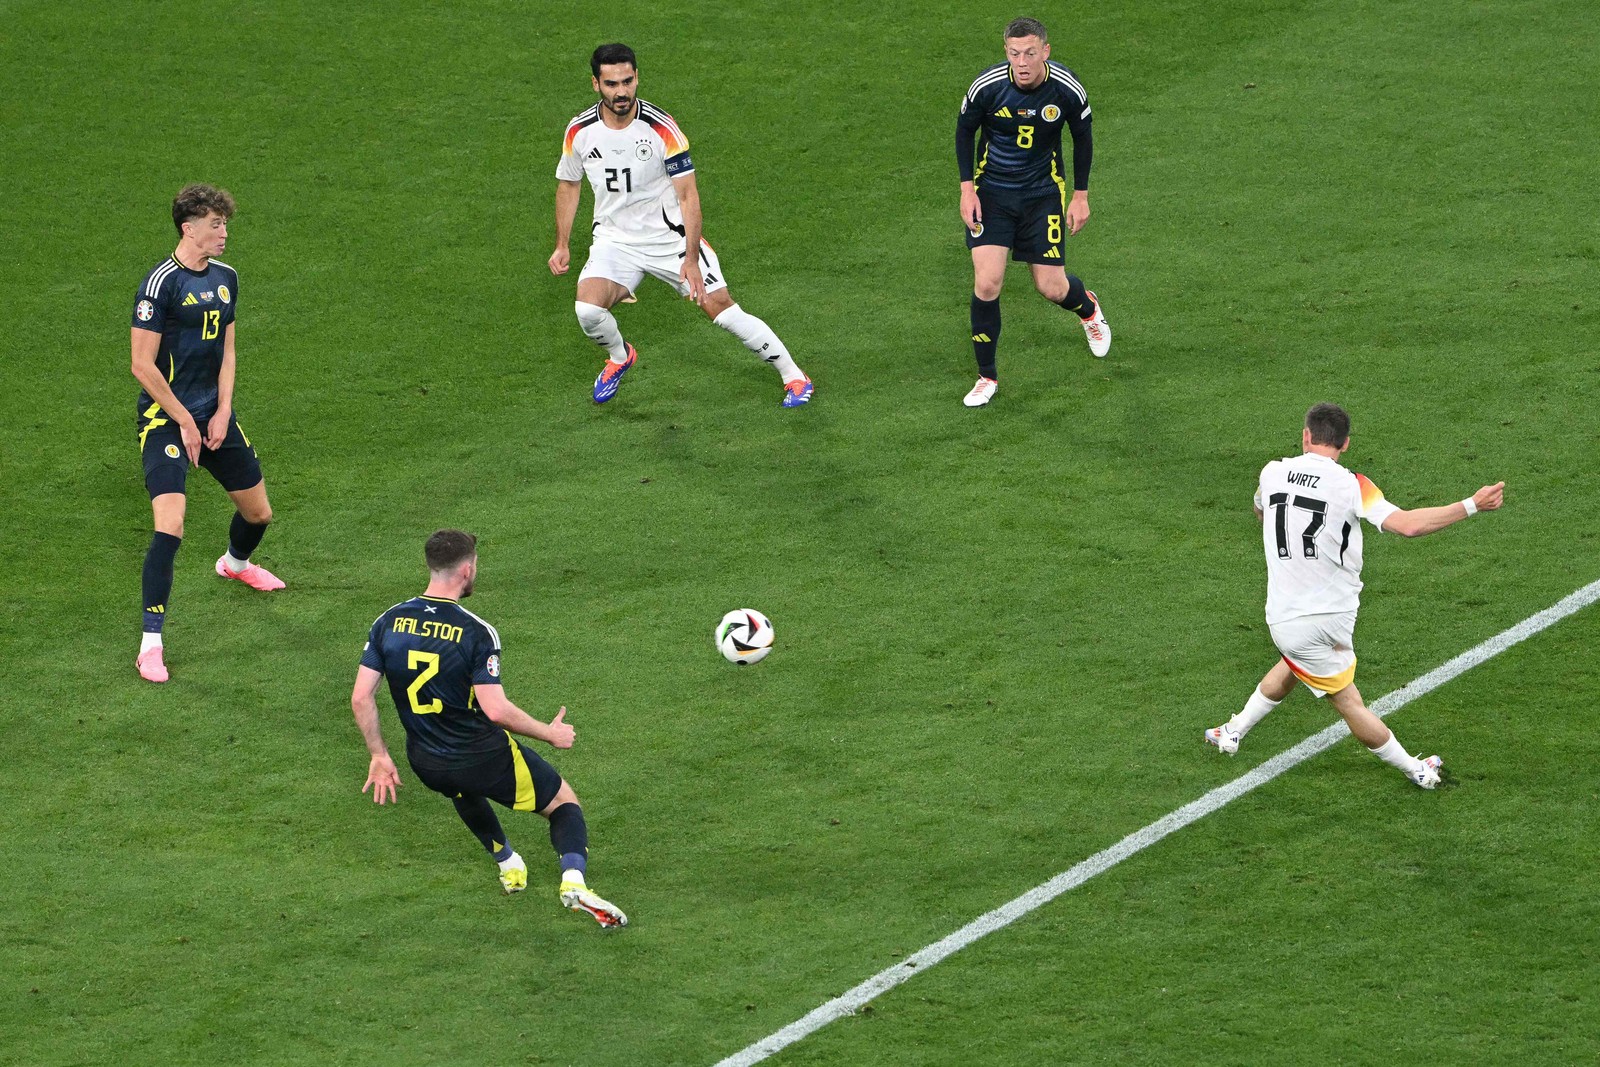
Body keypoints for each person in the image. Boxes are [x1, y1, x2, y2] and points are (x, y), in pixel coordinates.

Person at [1206, 403, 1506, 788]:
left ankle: (1232, 731)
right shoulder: (1352, 485)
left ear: (1306, 436)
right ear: (1345, 444)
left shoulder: (1273, 471)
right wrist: (1472, 505)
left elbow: (1261, 509)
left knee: (1297, 659)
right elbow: (1408, 526)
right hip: (1328, 616)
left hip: (1286, 616)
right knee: (1348, 702)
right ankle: (1416, 770)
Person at [351, 530, 627, 928]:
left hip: (425, 760)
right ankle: (573, 882)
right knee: (564, 803)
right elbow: (495, 711)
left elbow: (361, 697)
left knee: (461, 789)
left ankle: (509, 864)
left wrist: (379, 754)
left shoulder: (388, 622)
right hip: (482, 755)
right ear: (467, 569)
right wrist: (550, 734)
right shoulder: (476, 631)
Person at [549, 42, 813, 409]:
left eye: (627, 81)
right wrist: (562, 244)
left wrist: (690, 258)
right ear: (596, 84)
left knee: (720, 308)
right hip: (614, 241)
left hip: (668, 240)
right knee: (588, 310)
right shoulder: (579, 131)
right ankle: (619, 356)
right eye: (611, 84)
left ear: (637, 77)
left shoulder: (662, 129)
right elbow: (569, 185)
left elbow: (688, 196)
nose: (621, 92)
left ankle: (795, 377)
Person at [131, 183, 283, 684]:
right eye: (215, 224)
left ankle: (235, 563)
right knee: (170, 524)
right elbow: (142, 365)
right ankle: (151, 643)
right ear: (188, 227)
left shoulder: (226, 278)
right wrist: (183, 419)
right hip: (165, 419)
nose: (223, 233)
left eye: (224, 224)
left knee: (258, 514)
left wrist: (223, 412)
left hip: (212, 415)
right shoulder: (160, 284)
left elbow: (228, 351)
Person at [956, 17, 1110, 408]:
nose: (1021, 62)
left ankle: (1088, 309)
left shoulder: (1066, 89)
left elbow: (1083, 137)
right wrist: (966, 190)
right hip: (992, 193)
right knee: (988, 283)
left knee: (1051, 288)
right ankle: (986, 377)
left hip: (1042, 194)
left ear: (1045, 51)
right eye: (1013, 53)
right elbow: (964, 132)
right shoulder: (987, 87)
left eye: (1028, 53)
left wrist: (1080, 195)